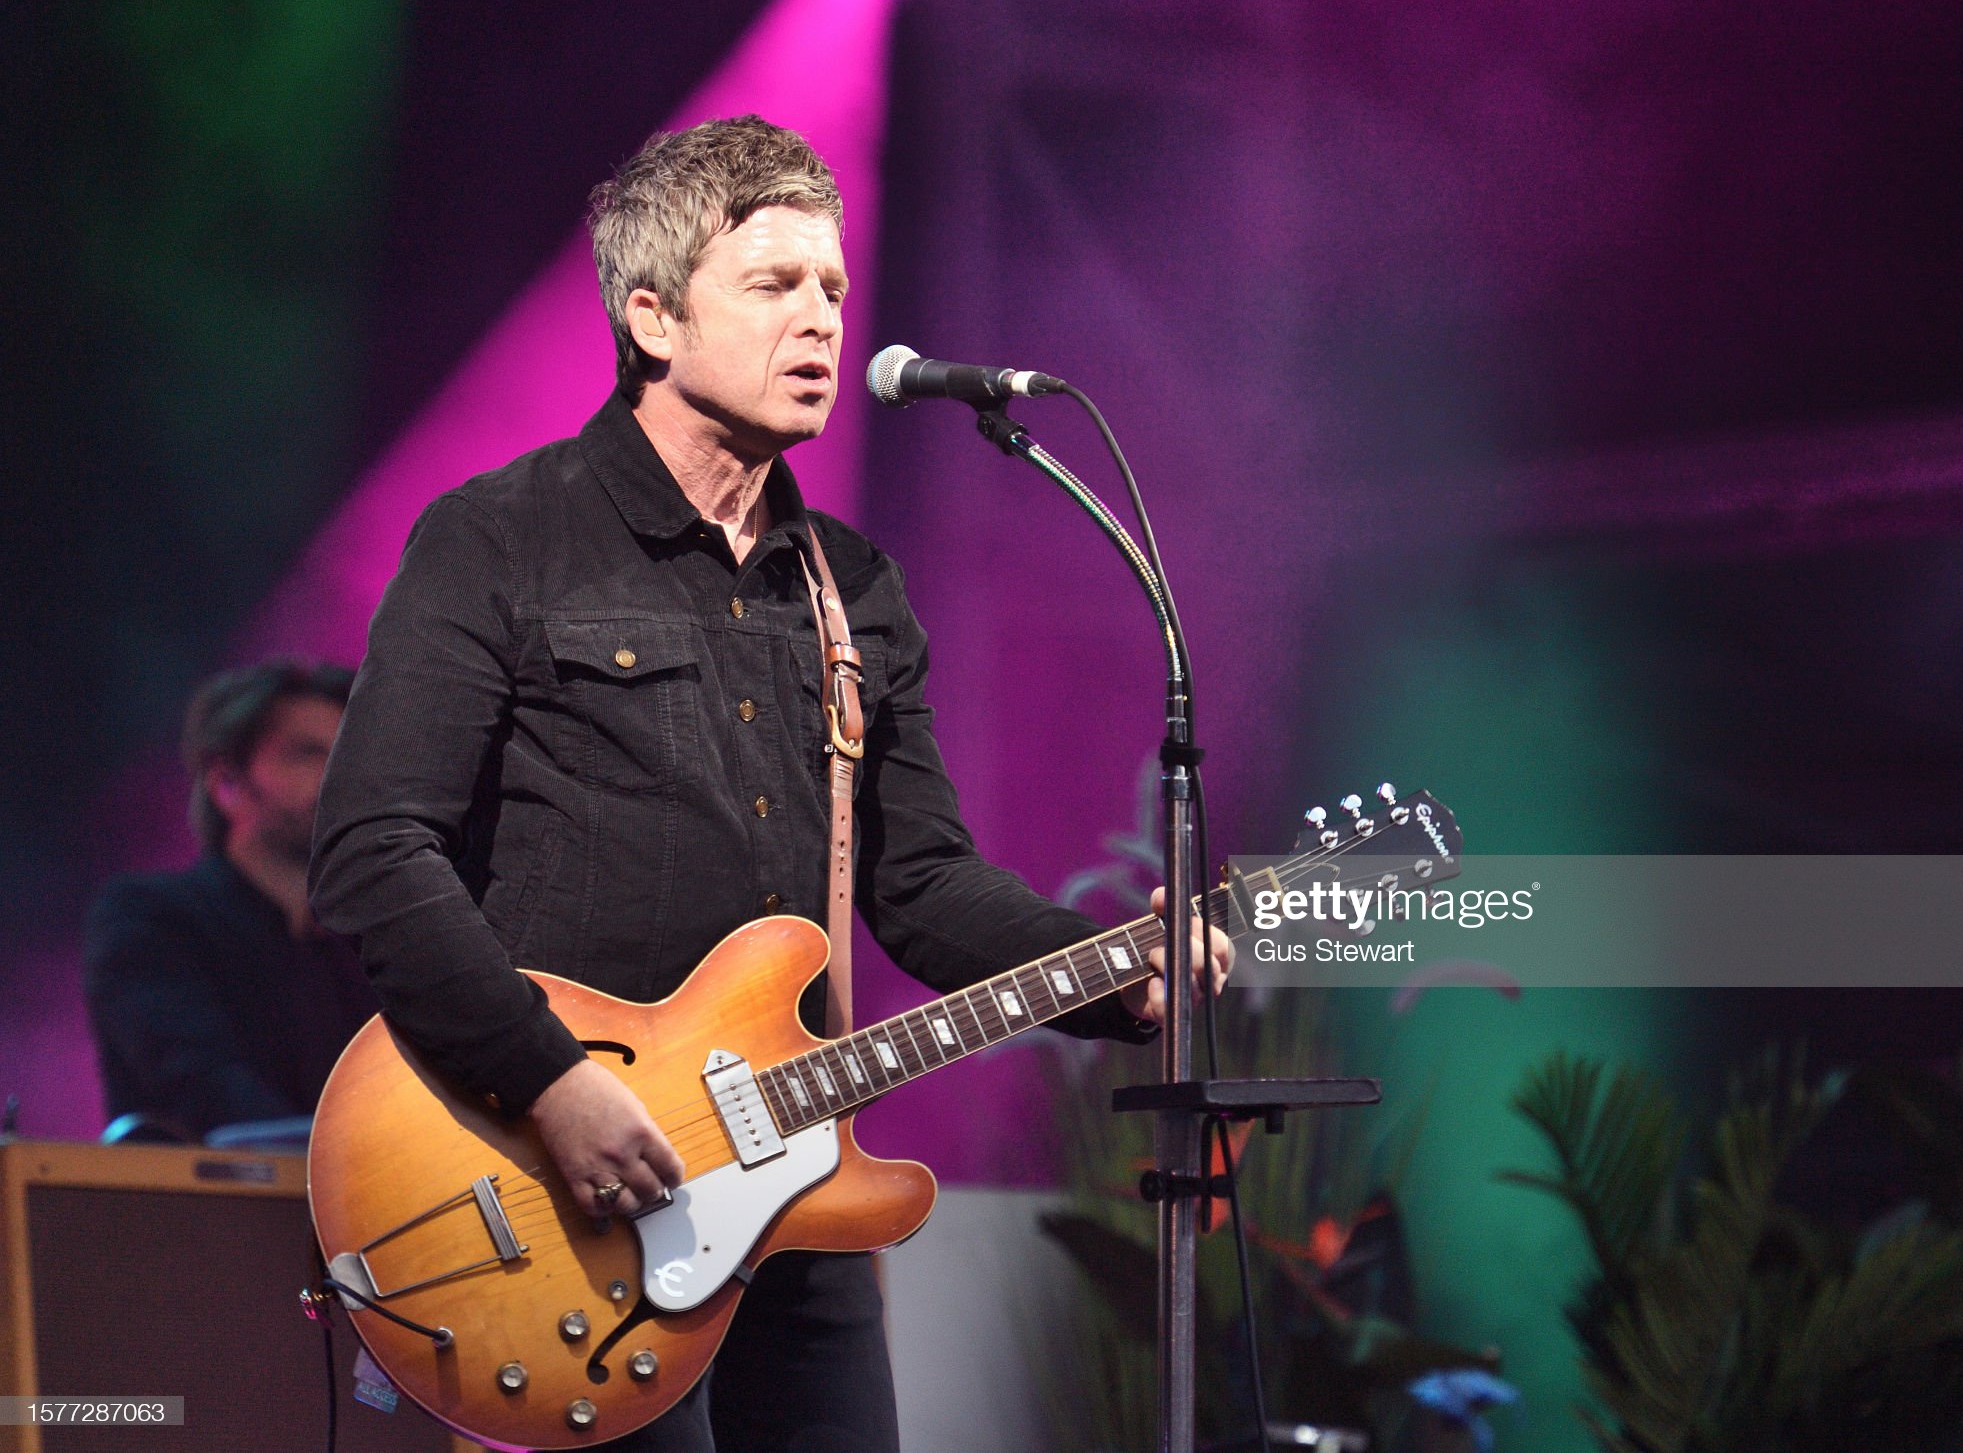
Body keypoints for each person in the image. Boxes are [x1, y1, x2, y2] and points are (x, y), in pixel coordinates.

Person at [308, 115, 1231, 1451]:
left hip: (795, 1193)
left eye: (834, 289)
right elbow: (374, 848)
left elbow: (920, 879)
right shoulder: (499, 537)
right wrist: (549, 1081)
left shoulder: (852, 585)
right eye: (773, 284)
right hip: (566, 1193)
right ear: (652, 317)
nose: (822, 321)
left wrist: (1113, 968)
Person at [83, 659, 376, 1142]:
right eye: (307, 754)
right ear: (227, 783)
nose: (340, 774)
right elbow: (202, 1088)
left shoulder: (366, 945)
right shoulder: (151, 917)